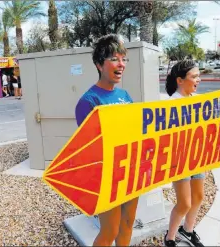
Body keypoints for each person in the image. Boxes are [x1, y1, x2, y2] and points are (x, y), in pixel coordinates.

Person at [75, 34, 139, 246]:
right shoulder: (88, 101)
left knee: (128, 223)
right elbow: (89, 148)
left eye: (124, 59)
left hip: (130, 172)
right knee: (110, 230)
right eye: (114, 58)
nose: (121, 64)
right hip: (107, 178)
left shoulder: (125, 96)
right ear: (99, 64)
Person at [164, 59, 205, 247]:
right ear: (180, 80)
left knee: (198, 197)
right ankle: (170, 238)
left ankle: (187, 231)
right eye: (194, 76)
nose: (198, 80)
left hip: (198, 157)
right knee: (185, 203)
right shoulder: (171, 103)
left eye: (199, 76)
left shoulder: (198, 99)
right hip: (180, 160)